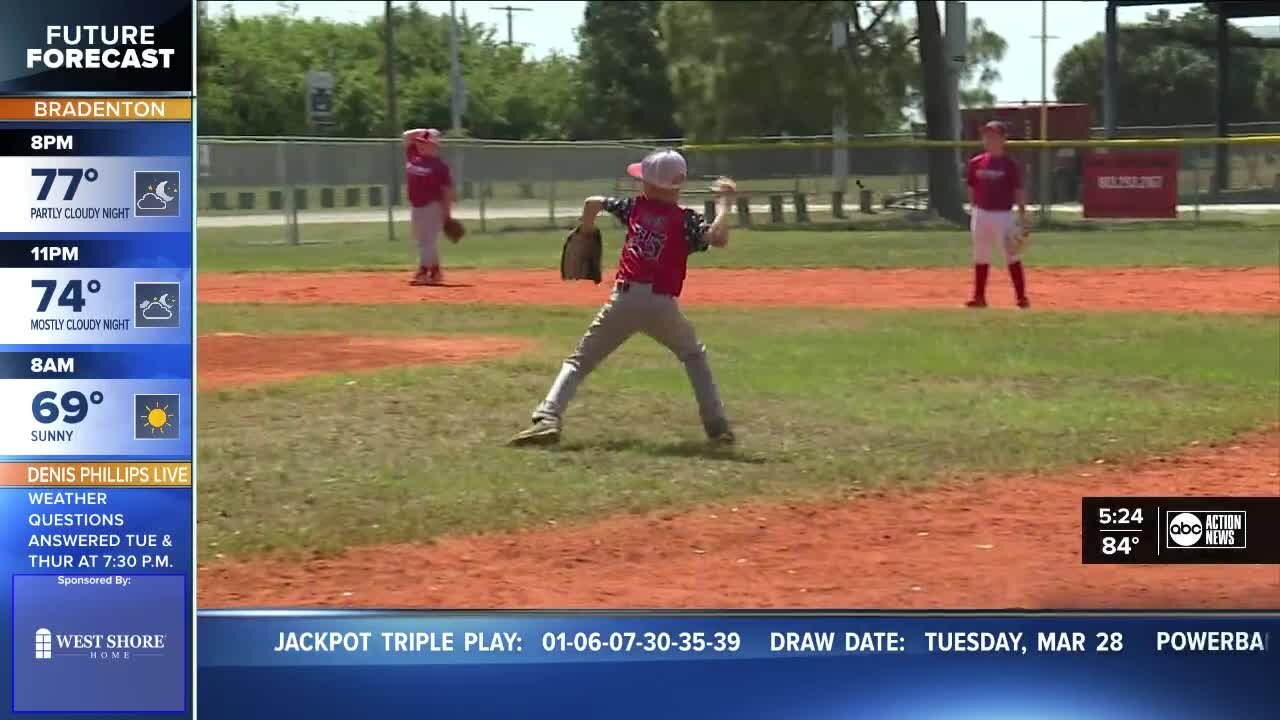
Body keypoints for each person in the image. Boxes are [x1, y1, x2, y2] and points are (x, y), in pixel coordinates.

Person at [509, 149, 736, 447]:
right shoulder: (685, 221)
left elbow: (593, 202)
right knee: (693, 356)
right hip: (661, 305)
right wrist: (724, 205)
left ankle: (547, 417)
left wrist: (587, 230)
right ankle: (716, 425)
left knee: (580, 362)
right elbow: (717, 238)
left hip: (624, 298)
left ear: (650, 185)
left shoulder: (634, 208)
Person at [965, 120, 1030, 309]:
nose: (989, 139)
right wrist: (973, 210)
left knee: (1012, 255)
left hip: (1004, 215)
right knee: (980, 255)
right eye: (986, 136)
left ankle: (1021, 297)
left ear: (1003, 139)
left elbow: (1018, 190)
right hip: (981, 213)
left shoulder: (1010, 164)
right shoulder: (975, 163)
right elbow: (971, 188)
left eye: (993, 136)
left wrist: (1022, 214)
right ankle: (979, 297)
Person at [402, 128, 455, 286]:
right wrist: (425, 131)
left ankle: (423, 271)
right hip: (416, 206)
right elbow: (405, 136)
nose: (420, 145)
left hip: (432, 206)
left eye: (424, 142)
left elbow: (447, 191)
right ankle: (436, 271)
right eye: (419, 142)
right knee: (423, 240)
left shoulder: (440, 167)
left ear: (434, 146)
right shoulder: (413, 156)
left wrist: (447, 214)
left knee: (427, 241)